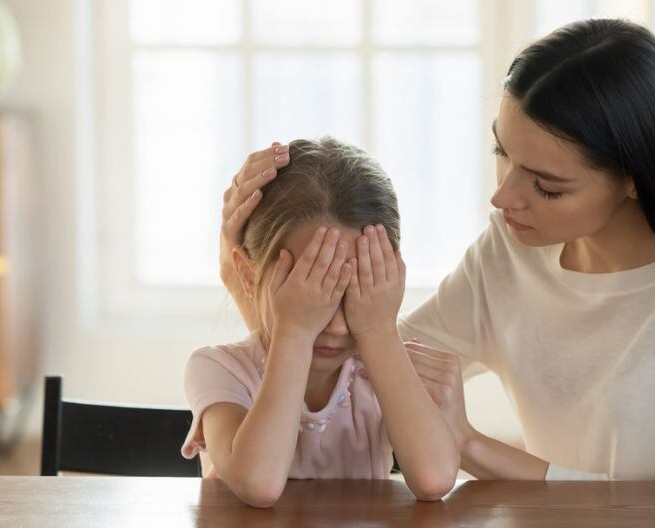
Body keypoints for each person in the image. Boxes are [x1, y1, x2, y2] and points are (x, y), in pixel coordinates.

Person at [220, 19, 655, 482]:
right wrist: (243, 275)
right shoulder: (516, 248)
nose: (503, 197)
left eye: (546, 185)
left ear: (636, 176)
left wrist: (473, 447)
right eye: (501, 152)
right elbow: (355, 364)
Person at [183, 138, 460, 508]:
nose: (337, 327)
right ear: (248, 277)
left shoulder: (378, 368)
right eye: (312, 295)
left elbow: (435, 478)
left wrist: (378, 332)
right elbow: (260, 483)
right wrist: (294, 331)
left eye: (355, 293)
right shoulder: (220, 370)